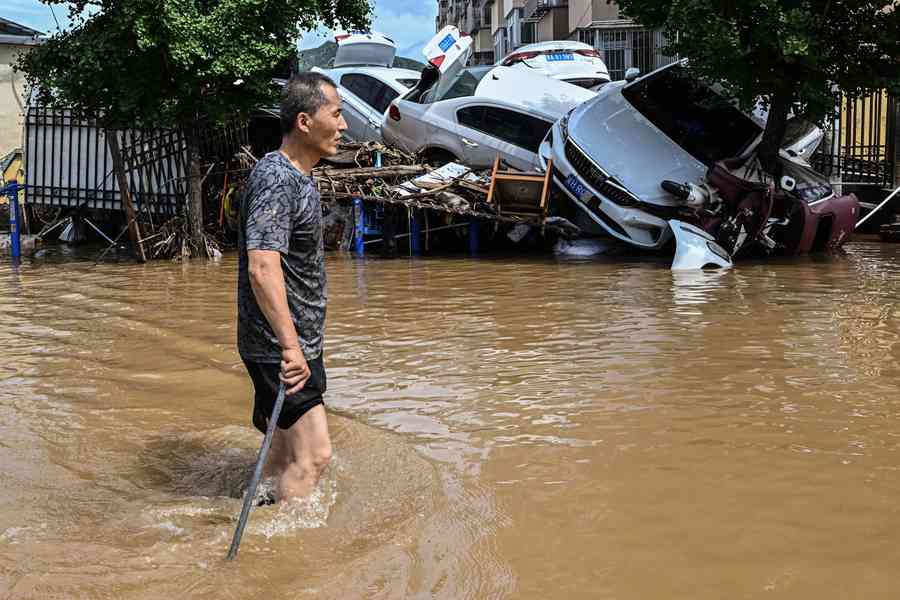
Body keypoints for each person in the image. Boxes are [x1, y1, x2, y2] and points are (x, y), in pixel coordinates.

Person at [237, 72, 347, 501]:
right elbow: (262, 267)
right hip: (281, 350)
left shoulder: (297, 177)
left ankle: (260, 510)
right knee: (315, 456)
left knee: (282, 454)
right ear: (304, 121)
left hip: (289, 344)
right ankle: (289, 558)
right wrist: (290, 348)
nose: (343, 125)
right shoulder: (277, 178)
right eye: (336, 114)